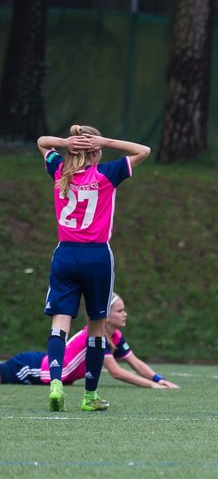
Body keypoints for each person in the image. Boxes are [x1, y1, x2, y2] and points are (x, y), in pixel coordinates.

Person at [37, 125, 152, 412]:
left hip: (65, 254)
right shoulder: (106, 174)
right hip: (97, 257)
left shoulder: (60, 171)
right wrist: (109, 141)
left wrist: (65, 142)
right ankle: (89, 396)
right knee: (97, 327)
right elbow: (144, 150)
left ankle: (55, 384)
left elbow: (41, 142)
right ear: (97, 150)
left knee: (60, 322)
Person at [1, 294, 181, 391]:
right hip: (31, 367)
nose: (125, 314)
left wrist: (159, 379)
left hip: (39, 368)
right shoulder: (95, 336)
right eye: (120, 310)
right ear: (107, 316)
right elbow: (116, 372)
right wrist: (151, 385)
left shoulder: (115, 335)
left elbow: (135, 362)